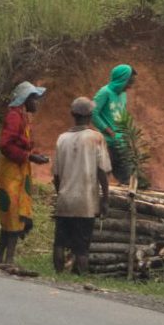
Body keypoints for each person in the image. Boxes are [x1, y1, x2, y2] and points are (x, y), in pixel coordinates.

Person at [0, 81, 50, 268]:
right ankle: (8, 259)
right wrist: (29, 157)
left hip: (18, 170)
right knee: (13, 212)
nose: (37, 103)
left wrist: (31, 157)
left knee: (13, 213)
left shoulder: (22, 116)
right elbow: (5, 145)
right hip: (11, 171)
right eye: (34, 98)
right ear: (25, 99)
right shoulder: (14, 116)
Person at [52, 97, 111, 275]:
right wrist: (105, 198)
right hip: (86, 201)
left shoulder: (62, 138)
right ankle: (82, 276)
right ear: (91, 115)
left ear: (72, 114)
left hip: (65, 199)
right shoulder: (96, 138)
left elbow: (56, 174)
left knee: (60, 242)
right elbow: (102, 172)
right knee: (82, 246)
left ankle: (58, 275)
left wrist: (60, 193)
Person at [92, 64, 136, 184]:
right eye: (128, 82)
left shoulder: (123, 95)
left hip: (122, 140)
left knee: (126, 176)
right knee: (103, 175)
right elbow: (93, 112)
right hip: (108, 142)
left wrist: (128, 132)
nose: (129, 87)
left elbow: (122, 113)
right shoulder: (104, 92)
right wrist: (106, 129)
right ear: (121, 80)